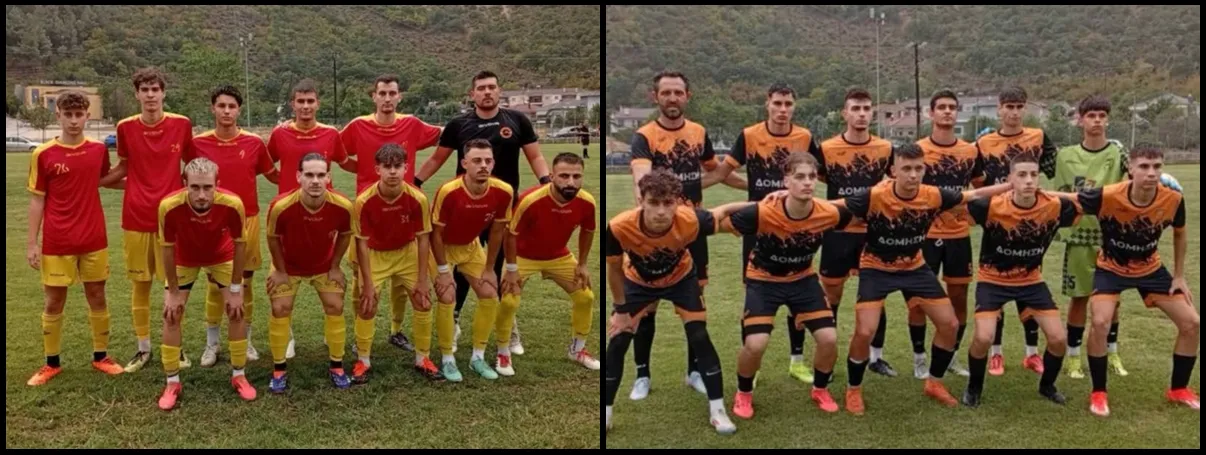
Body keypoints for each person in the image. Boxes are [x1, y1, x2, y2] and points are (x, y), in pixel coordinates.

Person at [839, 143, 1010, 415]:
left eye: (918, 168)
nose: (913, 174)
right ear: (893, 170)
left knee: (950, 324)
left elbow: (974, 193)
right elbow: (834, 207)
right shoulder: (874, 196)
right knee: (865, 331)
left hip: (914, 267)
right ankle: (853, 389)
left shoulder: (933, 195)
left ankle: (934, 382)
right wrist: (788, 198)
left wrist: (1010, 185)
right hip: (876, 268)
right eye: (906, 168)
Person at [1050, 145, 1198, 417]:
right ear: (1130, 168)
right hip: (1111, 269)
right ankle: (1099, 393)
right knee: (1100, 322)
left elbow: (1180, 233)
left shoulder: (1173, 199)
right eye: (1144, 166)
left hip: (1150, 269)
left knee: (1192, 323)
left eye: (1157, 167)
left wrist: (1179, 276)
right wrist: (1032, 191)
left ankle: (1179, 389)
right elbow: (1071, 197)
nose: (1151, 173)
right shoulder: (1108, 195)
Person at [604, 169, 752, 435]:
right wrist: (621, 310)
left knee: (699, 335)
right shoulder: (618, 226)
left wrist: (766, 202)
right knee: (617, 341)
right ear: (641, 200)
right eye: (654, 203)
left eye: (668, 203)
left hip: (681, 279)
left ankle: (718, 410)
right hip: (638, 282)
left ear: (678, 202)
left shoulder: (690, 219)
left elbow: (722, 212)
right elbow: (614, 270)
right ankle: (606, 412)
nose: (661, 211)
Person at [627, 70, 746, 400]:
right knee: (647, 304)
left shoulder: (698, 132)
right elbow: (641, 178)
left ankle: (694, 372)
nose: (672, 98)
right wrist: (650, 206)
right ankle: (642, 375)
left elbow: (716, 172)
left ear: (687, 96)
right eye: (665, 92)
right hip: (656, 232)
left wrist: (756, 187)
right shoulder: (644, 136)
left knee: (695, 302)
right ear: (655, 97)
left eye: (678, 92)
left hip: (693, 231)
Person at [414, 71, 551, 357]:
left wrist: (546, 183)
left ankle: (507, 327)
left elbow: (535, 156)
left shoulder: (517, 120)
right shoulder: (459, 124)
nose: (487, 92)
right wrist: (415, 183)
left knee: (499, 266)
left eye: (491, 87)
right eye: (481, 88)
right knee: (463, 265)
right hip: (465, 209)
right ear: (472, 94)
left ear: (499, 91)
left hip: (503, 207)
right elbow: (437, 158)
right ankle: (454, 319)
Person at [705, 83, 823, 384]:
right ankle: (752, 366)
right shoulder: (749, 135)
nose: (783, 109)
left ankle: (797, 361)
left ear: (794, 106)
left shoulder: (805, 137)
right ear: (767, 104)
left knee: (798, 287)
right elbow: (722, 172)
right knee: (753, 293)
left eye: (788, 104)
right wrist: (684, 188)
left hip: (796, 223)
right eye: (777, 103)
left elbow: (821, 175)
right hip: (758, 223)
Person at [722, 152, 849, 419]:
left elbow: (858, 210)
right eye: (799, 177)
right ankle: (744, 393)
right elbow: (715, 223)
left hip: (803, 280)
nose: (807, 182)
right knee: (755, 344)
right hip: (763, 281)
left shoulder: (828, 212)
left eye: (812, 177)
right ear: (786, 180)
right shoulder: (763, 211)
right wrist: (739, 205)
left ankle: (820, 389)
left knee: (829, 339)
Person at [25, 91, 124, 386]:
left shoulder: (97, 150)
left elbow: (105, 180)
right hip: (58, 240)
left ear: (87, 116)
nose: (73, 120)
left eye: (79, 114)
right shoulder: (43, 154)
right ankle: (51, 363)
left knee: (97, 295)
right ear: (58, 115)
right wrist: (32, 243)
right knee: (54, 300)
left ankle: (101, 357)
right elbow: (37, 200)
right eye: (67, 114)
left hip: (94, 237)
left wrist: (150, 183)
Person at [962, 153, 1076, 407]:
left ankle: (1047, 386)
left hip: (1031, 282)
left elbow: (1089, 200)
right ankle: (974, 387)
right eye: (1022, 175)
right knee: (983, 338)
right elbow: (959, 202)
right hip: (992, 280)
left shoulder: (1054, 206)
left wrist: (1053, 194)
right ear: (1010, 178)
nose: (1029, 180)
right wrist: (1000, 189)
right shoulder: (991, 206)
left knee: (1059, 339)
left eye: (1034, 175)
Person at [101, 67, 195, 373]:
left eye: (155, 89)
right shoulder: (125, 127)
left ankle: (176, 346)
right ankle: (143, 349)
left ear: (163, 93)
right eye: (145, 90)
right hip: (136, 217)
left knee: (174, 286)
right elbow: (123, 167)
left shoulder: (181, 124)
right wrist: (91, 181)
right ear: (137, 94)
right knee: (140, 285)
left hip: (172, 218)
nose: (151, 95)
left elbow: (192, 165)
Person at [341, 74, 442, 352]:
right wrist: (363, 170)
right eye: (382, 93)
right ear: (373, 96)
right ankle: (359, 337)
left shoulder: (412, 124)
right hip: (368, 209)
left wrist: (419, 178)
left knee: (401, 281)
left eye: (392, 93)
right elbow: (337, 153)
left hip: (404, 208)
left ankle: (396, 331)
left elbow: (446, 136)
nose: (387, 98)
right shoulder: (358, 125)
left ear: (399, 97)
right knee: (360, 280)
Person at [187, 85, 279, 367]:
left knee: (245, 283)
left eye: (232, 106)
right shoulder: (198, 143)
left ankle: (246, 340)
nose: (226, 111)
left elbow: (274, 175)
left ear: (239, 110)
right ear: (213, 108)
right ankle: (212, 344)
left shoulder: (253, 143)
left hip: (246, 220)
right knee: (215, 284)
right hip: (211, 221)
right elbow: (186, 179)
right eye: (221, 106)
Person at [973, 86, 1058, 376]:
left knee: (1027, 280)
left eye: (1019, 106)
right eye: (1009, 106)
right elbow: (976, 180)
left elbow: (1055, 168)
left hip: (1030, 215)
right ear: (999, 108)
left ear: (1025, 109)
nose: (1014, 112)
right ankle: (996, 354)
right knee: (996, 285)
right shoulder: (984, 142)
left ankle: (1031, 353)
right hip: (999, 218)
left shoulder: (1039, 136)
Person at [156, 158, 253, 411]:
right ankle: (172, 382)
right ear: (184, 184)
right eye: (195, 187)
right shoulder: (169, 206)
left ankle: (239, 375)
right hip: (184, 258)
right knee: (171, 314)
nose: (201, 195)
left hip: (221, 255)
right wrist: (173, 292)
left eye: (208, 187)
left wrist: (236, 290)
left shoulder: (232, 204)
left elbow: (240, 246)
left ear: (217, 184)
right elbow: (167, 250)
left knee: (236, 310)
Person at [814, 88, 895, 377]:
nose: (861, 114)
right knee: (831, 295)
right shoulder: (826, 148)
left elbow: (894, 181)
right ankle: (828, 356)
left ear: (872, 113)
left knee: (876, 296)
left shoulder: (885, 148)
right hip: (837, 231)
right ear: (844, 113)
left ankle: (876, 358)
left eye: (866, 109)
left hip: (873, 233)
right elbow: (821, 177)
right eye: (855, 109)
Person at [497, 152, 600, 375]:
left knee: (586, 297)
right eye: (564, 176)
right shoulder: (530, 200)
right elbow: (510, 235)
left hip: (558, 257)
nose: (571, 182)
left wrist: (582, 264)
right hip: (523, 257)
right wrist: (512, 269)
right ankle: (503, 352)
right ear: (552, 176)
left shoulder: (587, 202)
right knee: (509, 301)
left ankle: (577, 350)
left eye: (576, 176)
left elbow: (588, 230)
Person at [1051, 95, 1131, 380]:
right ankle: (1073, 357)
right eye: (1091, 115)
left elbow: (1134, 180)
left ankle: (1112, 353)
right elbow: (1060, 193)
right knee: (1079, 298)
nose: (1097, 120)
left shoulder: (1118, 153)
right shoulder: (1065, 155)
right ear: (1080, 120)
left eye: (1102, 115)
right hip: (1080, 238)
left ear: (1107, 120)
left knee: (1113, 300)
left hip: (1111, 238)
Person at [264, 153, 355, 392]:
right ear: (298, 177)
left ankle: (337, 366)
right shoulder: (281, 206)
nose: (315, 181)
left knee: (335, 305)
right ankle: (279, 370)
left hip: (323, 266)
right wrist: (280, 271)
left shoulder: (343, 205)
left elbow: (346, 235)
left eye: (321, 175)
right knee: (280, 308)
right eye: (309, 175)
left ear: (329, 177)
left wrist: (335, 266)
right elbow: (272, 239)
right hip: (288, 266)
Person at [350, 143, 440, 384]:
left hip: (406, 252)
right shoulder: (364, 201)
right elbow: (361, 244)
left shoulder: (417, 198)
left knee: (423, 301)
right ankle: (363, 361)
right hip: (375, 254)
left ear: (406, 168)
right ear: (377, 169)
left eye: (397, 166)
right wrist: (367, 283)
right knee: (367, 304)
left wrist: (422, 279)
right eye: (387, 166)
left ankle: (423, 358)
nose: (392, 171)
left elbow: (423, 239)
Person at [429, 139, 515, 382]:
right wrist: (443, 271)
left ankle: (478, 357)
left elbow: (497, 231)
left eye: (488, 161)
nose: (483, 165)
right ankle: (447, 357)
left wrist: (489, 268)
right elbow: (435, 234)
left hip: (471, 246)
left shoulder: (504, 191)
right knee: (448, 296)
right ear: (464, 163)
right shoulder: (449, 191)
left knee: (489, 294)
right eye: (477, 160)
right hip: (442, 248)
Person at [912, 90, 982, 380]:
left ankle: (950, 354)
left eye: (952, 107)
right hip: (924, 235)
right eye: (941, 107)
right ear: (931, 113)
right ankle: (919, 358)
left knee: (959, 297)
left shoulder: (970, 151)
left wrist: (973, 215)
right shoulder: (917, 149)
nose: (947, 111)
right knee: (918, 299)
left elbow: (980, 187)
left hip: (957, 235)